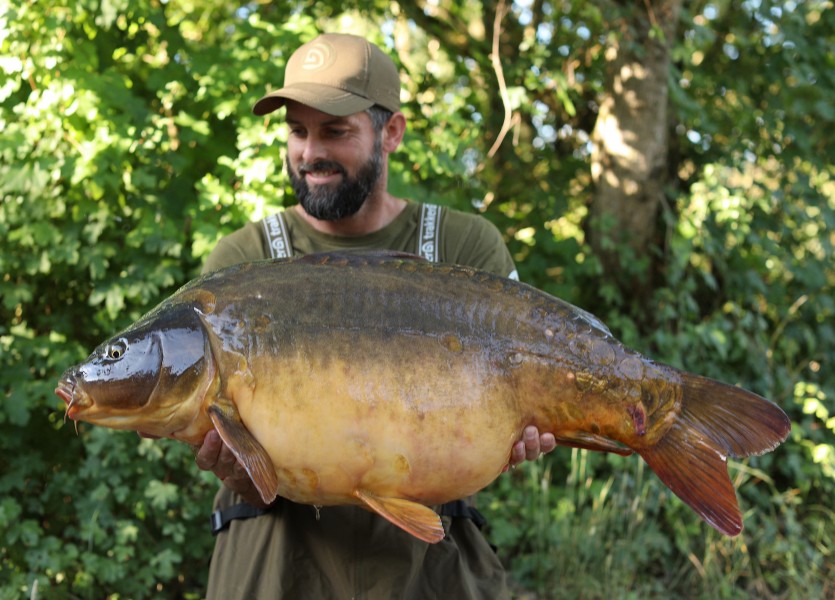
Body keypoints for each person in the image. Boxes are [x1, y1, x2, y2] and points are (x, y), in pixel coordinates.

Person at [195, 32, 557, 599]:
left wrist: (519, 432)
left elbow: (522, 403)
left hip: (433, 570)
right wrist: (233, 462)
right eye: (297, 130)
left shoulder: (465, 247)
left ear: (391, 133)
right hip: (275, 567)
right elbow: (231, 454)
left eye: (335, 131)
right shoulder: (242, 265)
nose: (309, 152)